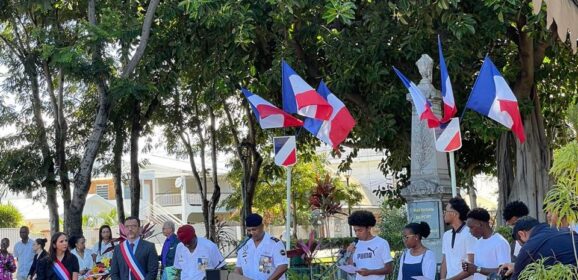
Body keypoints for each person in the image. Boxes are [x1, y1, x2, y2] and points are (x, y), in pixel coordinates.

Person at [501, 216, 578, 280]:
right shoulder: (567, 231)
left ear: (522, 234)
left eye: (521, 244)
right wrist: (516, 265)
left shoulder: (528, 247)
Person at [234, 213, 288, 280]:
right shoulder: (244, 245)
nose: (251, 233)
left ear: (262, 226)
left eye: (254, 229)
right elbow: (239, 268)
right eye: (249, 230)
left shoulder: (275, 244)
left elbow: (283, 266)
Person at [462, 208, 511, 280]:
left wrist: (477, 269)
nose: (469, 231)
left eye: (471, 227)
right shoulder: (478, 243)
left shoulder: (500, 242)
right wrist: (469, 267)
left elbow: (504, 271)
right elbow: (477, 269)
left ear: (481, 224)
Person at [346, 210, 393, 279]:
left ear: (369, 228)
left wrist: (370, 272)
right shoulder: (355, 245)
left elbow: (389, 269)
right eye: (355, 230)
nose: (357, 233)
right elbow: (351, 271)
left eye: (360, 230)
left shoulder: (381, 243)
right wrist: (349, 253)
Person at [440, 197, 477, 280]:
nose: (444, 214)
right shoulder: (446, 235)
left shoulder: (469, 234)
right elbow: (445, 261)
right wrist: (442, 278)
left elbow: (471, 266)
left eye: (446, 211)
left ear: (454, 214)